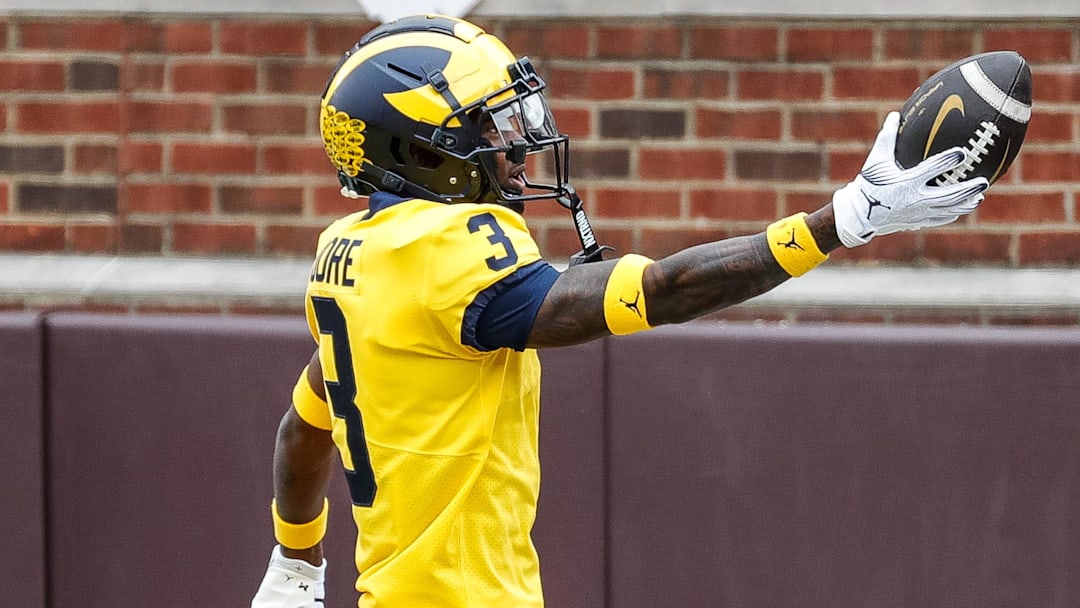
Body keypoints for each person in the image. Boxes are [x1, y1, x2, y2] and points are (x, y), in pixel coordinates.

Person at [250, 13, 988, 608]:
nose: (518, 153)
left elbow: (304, 425)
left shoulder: (348, 257)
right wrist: (843, 220)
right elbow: (658, 292)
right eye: (490, 131)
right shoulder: (448, 249)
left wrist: (296, 559)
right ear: (418, 148)